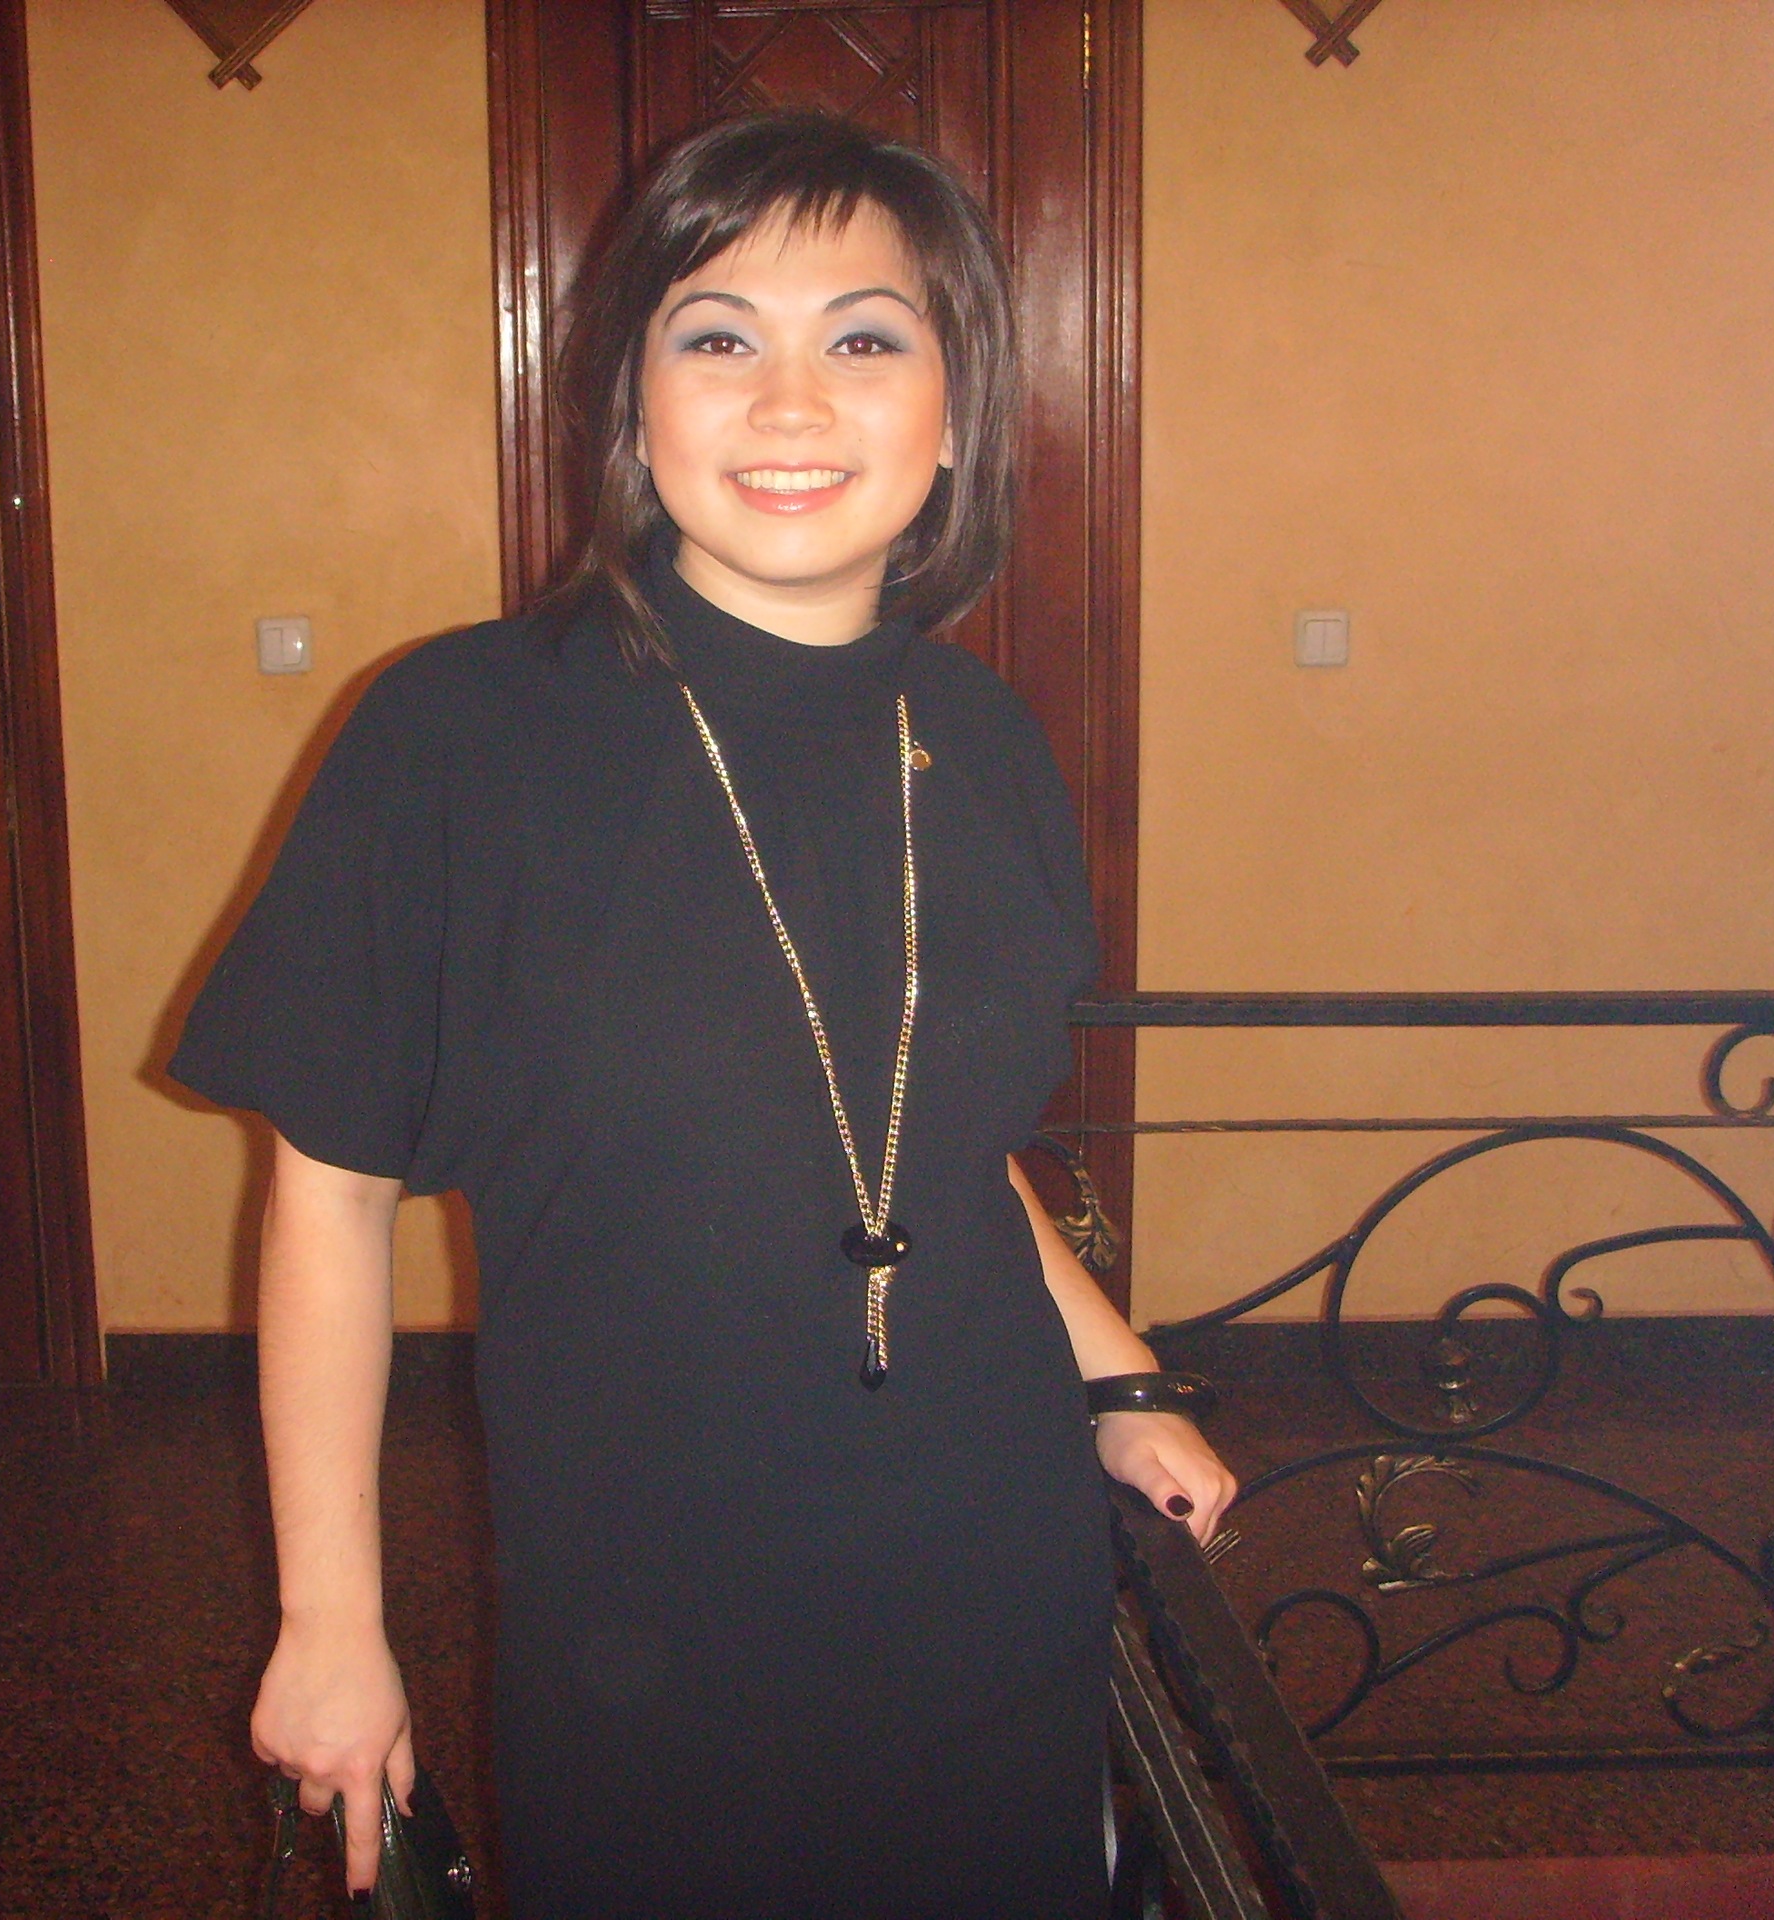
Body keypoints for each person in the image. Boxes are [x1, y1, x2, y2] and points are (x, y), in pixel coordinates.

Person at [170, 108, 1236, 1920]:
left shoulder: (982, 740)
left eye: (866, 339)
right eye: (720, 336)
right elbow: (329, 1201)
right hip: (648, 1612)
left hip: (992, 1565)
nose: (790, 402)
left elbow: (943, 1150)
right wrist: (330, 1623)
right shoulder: (461, 735)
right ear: (635, 404)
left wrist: (1118, 1380)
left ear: (957, 411)